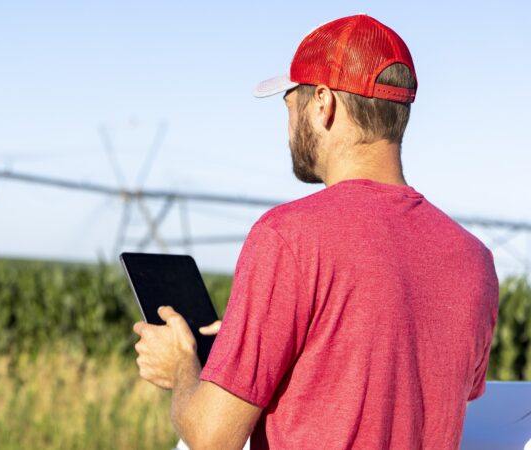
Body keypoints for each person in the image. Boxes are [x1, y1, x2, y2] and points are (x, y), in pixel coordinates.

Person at [132, 14, 498, 450]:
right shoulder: (475, 261)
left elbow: (212, 437)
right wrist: (271, 339)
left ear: (323, 103)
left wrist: (181, 369)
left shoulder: (288, 238)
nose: (287, 128)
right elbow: (415, 386)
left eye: (290, 104)